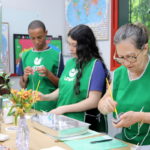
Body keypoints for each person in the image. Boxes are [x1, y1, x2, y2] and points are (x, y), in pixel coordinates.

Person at [40, 24, 110, 132]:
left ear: (85, 45)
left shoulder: (96, 66)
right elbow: (63, 89)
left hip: (84, 124)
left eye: (74, 45)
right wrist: (44, 97)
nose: (70, 49)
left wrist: (62, 109)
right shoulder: (71, 63)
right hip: (64, 121)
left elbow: (93, 101)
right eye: (69, 44)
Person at [98, 23, 150, 145]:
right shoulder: (120, 74)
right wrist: (104, 106)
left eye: (131, 57)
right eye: (121, 57)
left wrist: (140, 117)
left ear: (145, 49)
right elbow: (103, 102)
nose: (126, 63)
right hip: (127, 143)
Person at [17, 20, 64, 112]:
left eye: (39, 37)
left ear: (46, 33)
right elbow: (22, 86)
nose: (36, 41)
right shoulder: (25, 55)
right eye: (33, 38)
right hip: (29, 106)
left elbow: (62, 85)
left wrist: (49, 74)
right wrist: (25, 76)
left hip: (50, 107)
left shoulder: (56, 55)